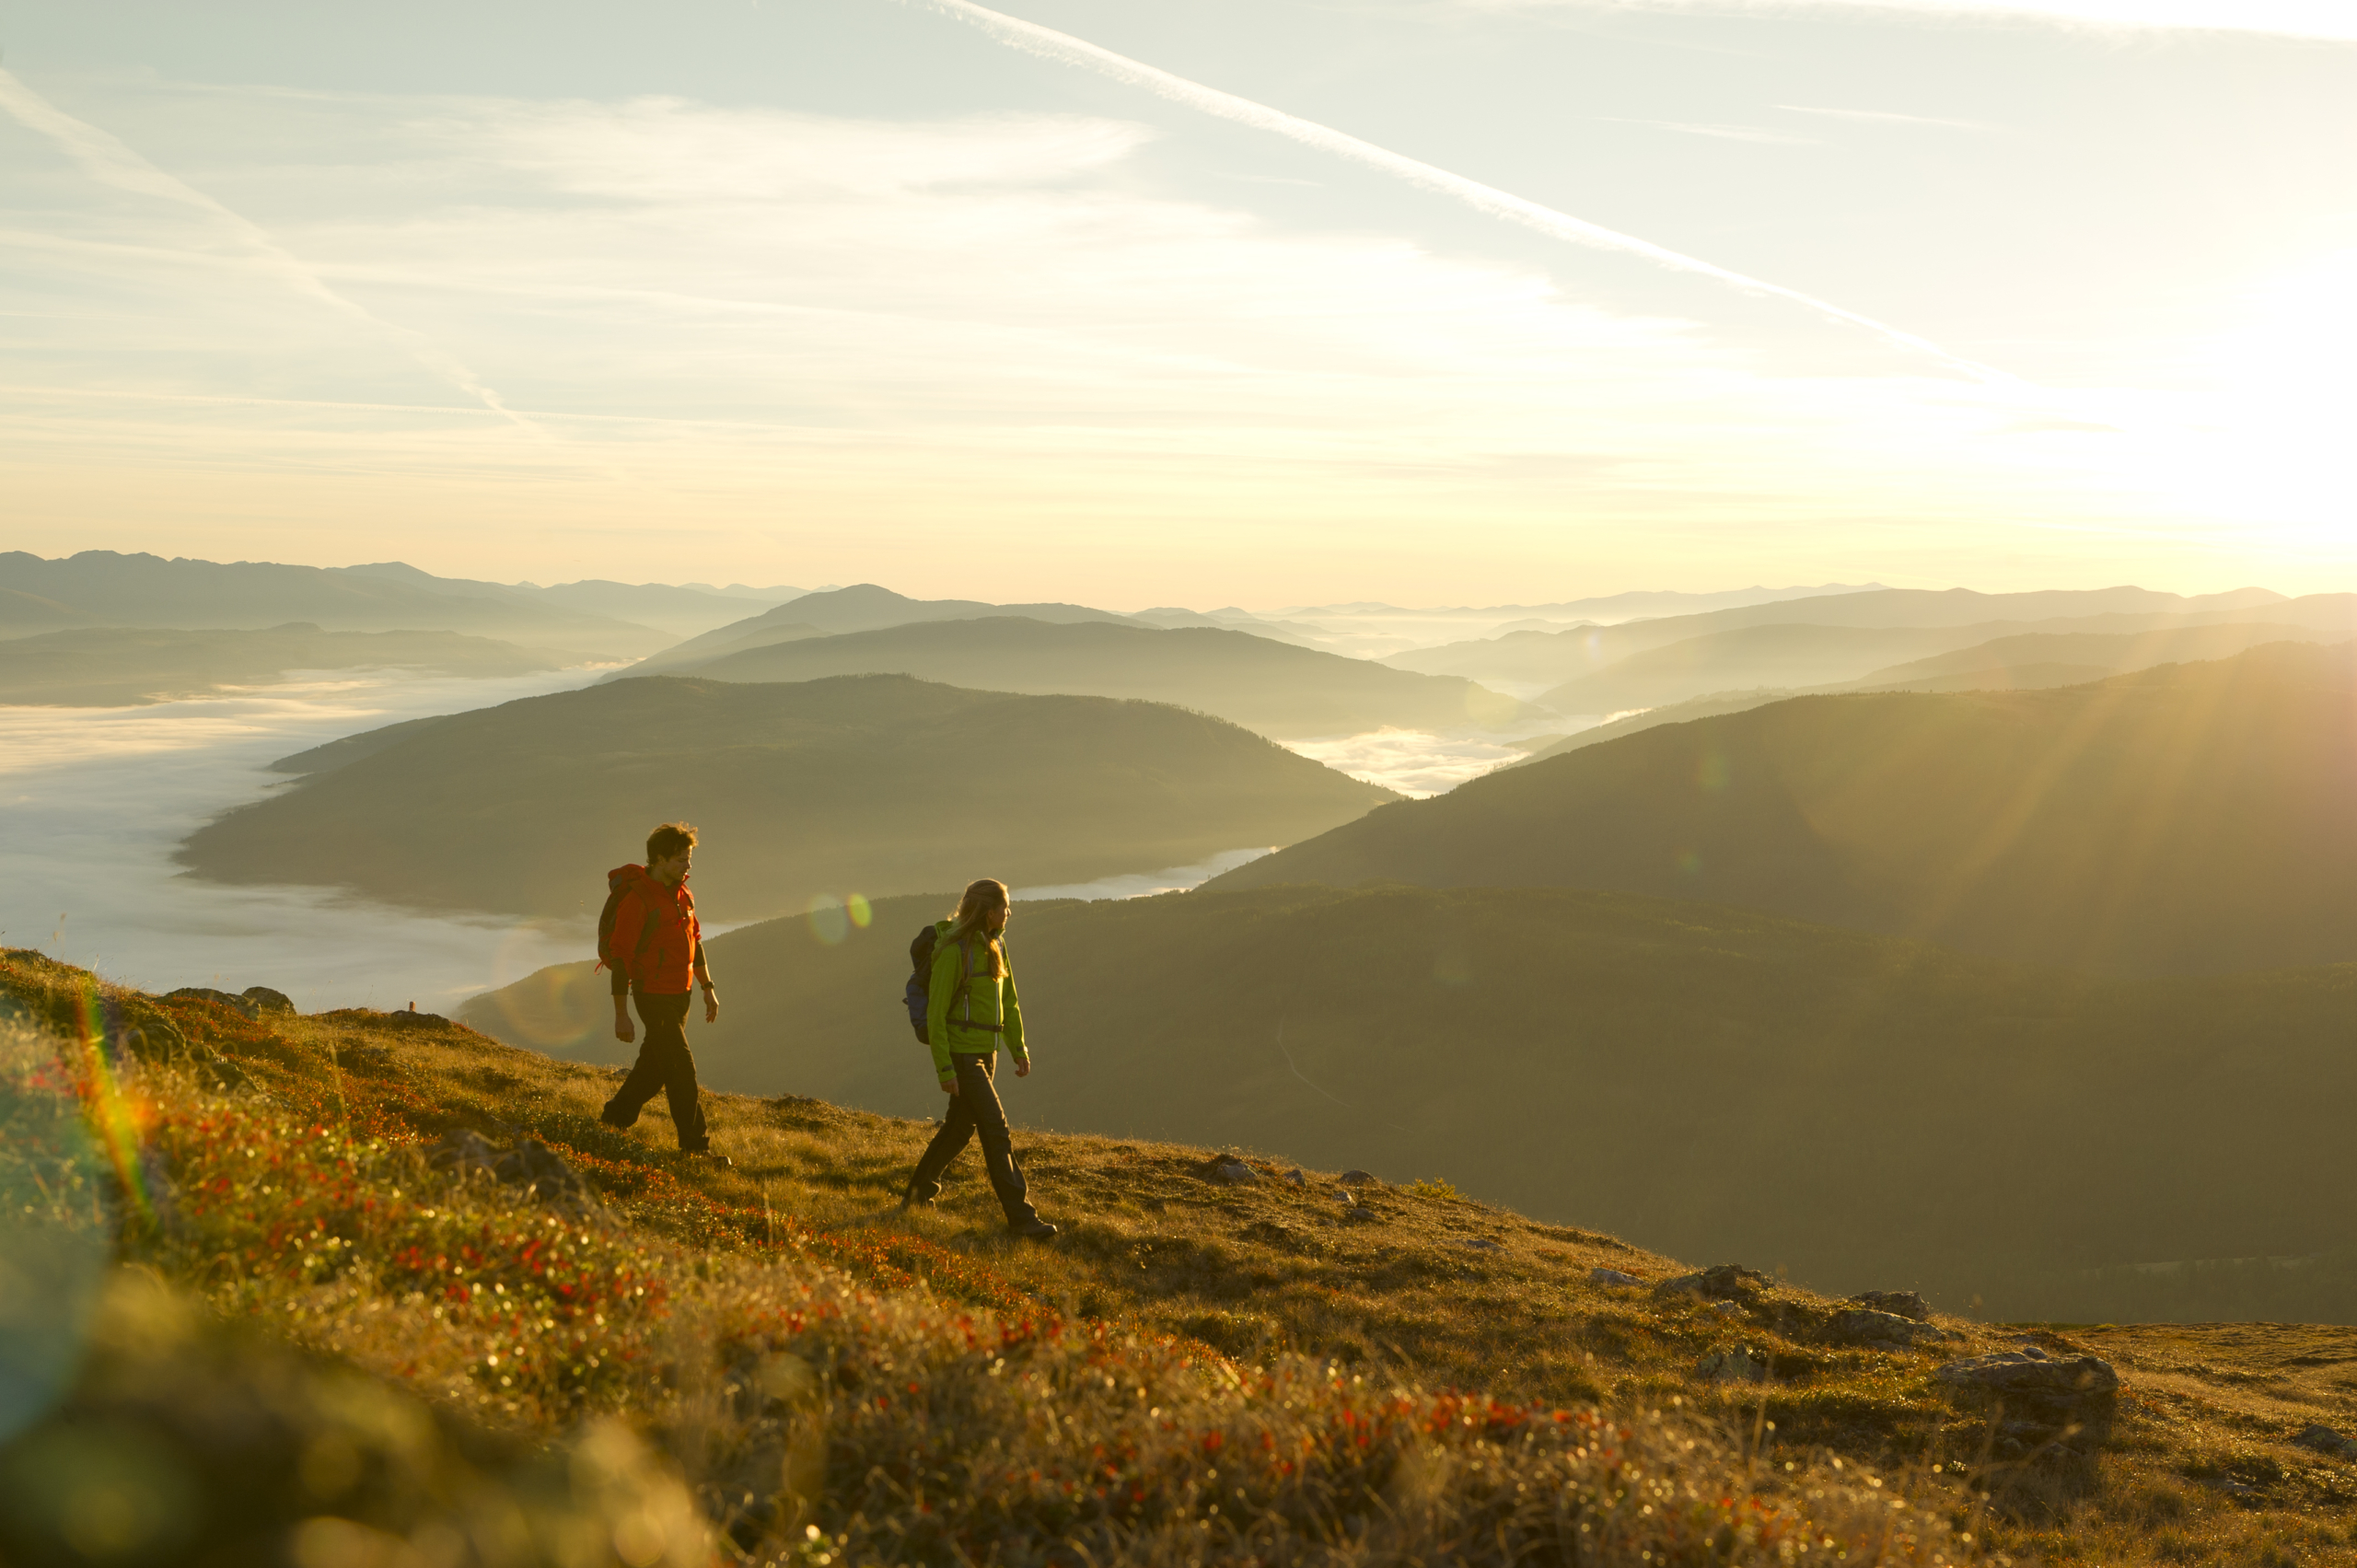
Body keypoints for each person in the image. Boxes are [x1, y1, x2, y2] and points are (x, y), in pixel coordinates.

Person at [902, 878, 1057, 1239]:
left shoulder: (996, 944)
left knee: (958, 1129)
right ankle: (1022, 1218)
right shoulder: (954, 951)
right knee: (995, 1128)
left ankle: (916, 1196)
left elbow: (1009, 1002)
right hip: (961, 1054)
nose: (1009, 912)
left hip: (986, 1053)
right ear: (990, 912)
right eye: (1005, 906)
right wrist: (944, 1067)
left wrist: (1018, 1049)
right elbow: (937, 1014)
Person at [598, 821, 728, 1164]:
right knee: (682, 1068)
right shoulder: (639, 899)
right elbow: (620, 956)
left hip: (680, 995)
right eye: (681, 859)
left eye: (688, 858)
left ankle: (613, 1120)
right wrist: (621, 1014)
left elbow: (693, 943)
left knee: (653, 1069)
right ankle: (696, 1149)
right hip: (651, 995)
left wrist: (707, 988)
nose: (688, 865)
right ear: (659, 859)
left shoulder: (684, 895)